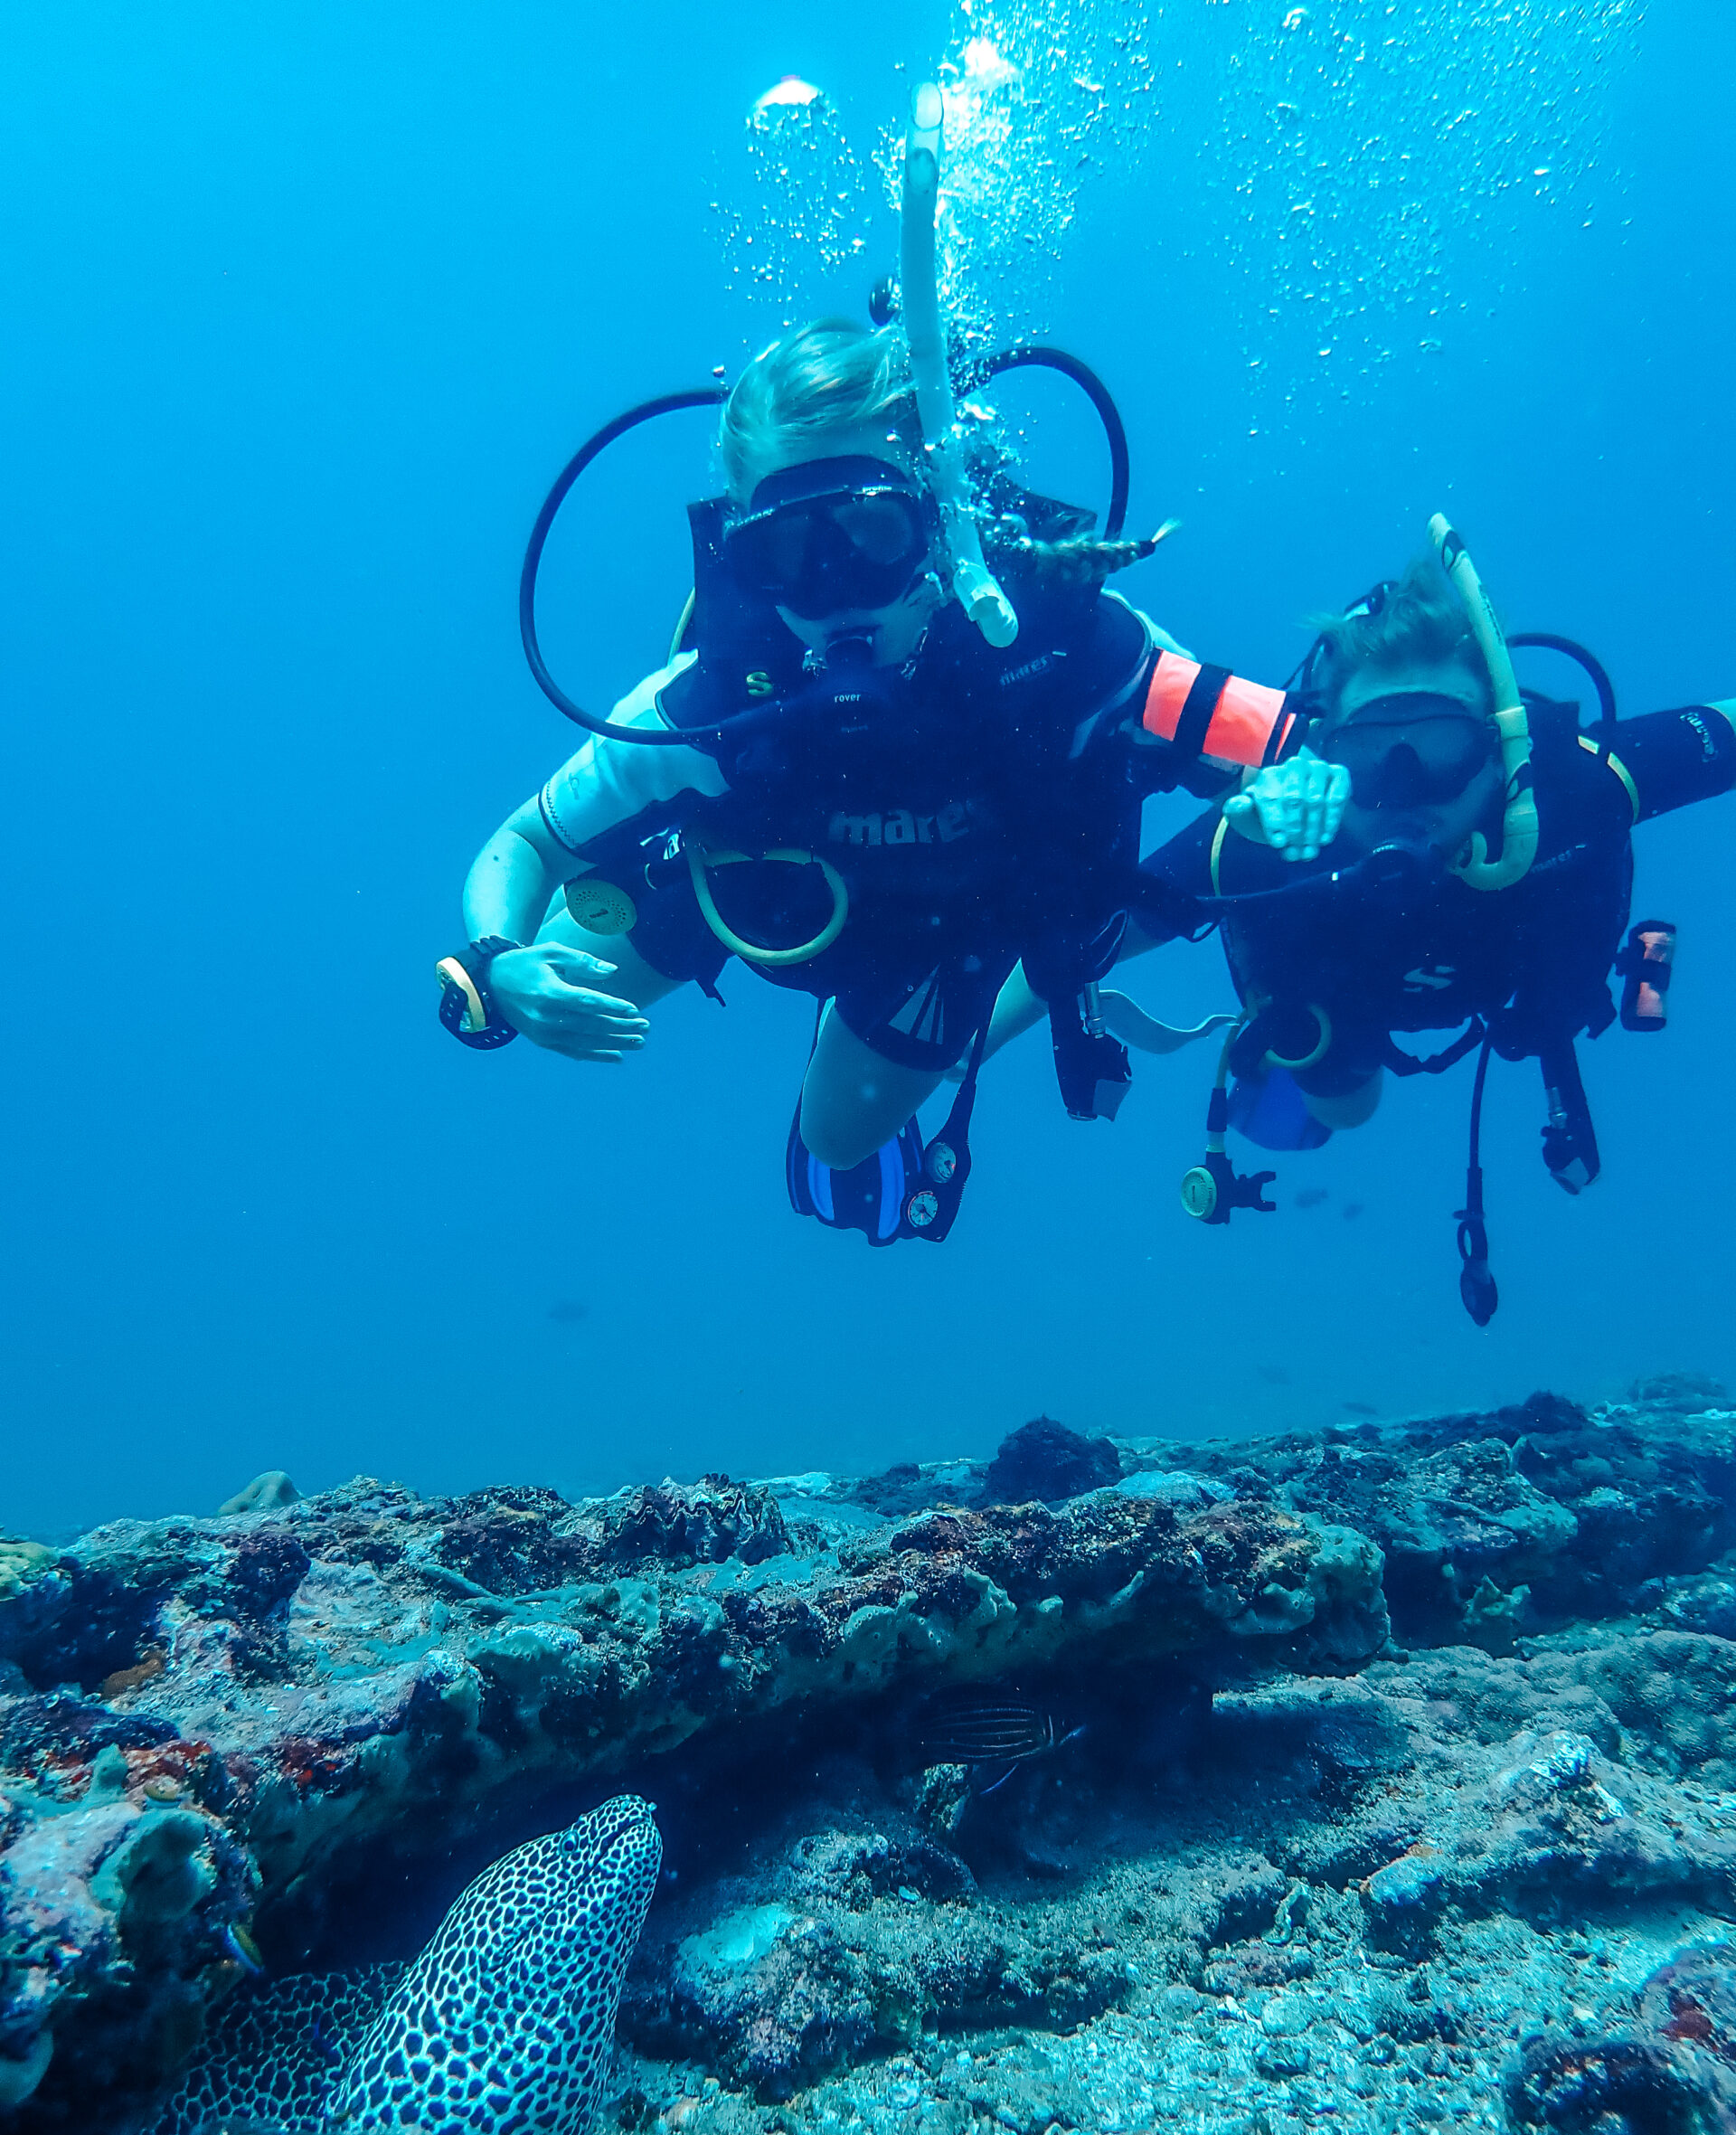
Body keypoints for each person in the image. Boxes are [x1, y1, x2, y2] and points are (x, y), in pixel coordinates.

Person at [437, 91, 1346, 1245]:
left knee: (835, 1143)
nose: (836, 596)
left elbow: (1283, 740)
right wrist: (499, 959)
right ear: (742, 560)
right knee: (547, 1001)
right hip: (757, 889)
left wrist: (1328, 788)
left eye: (868, 538)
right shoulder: (707, 705)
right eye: (786, 558)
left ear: (942, 521)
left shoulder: (1077, 653)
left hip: (945, 941)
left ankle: (980, 1020)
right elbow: (521, 846)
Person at [1111, 519, 1735, 1315]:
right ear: (1329, 754)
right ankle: (1310, 1047)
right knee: (1342, 1106)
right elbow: (1079, 947)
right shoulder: (1272, 835)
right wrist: (947, 1050)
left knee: (1347, 1101)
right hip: (1342, 1006)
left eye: (1440, 746)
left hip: (1524, 986)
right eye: (1374, 756)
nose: (1407, 788)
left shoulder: (1572, 786)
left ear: (1501, 744)